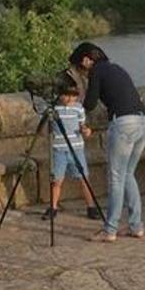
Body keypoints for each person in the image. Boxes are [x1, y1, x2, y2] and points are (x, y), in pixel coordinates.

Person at [75, 42, 145, 243]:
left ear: (86, 60)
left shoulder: (96, 71)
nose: (82, 72)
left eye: (80, 68)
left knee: (116, 177)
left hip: (124, 123)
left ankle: (110, 229)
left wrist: (81, 92)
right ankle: (136, 226)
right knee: (128, 174)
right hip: (143, 121)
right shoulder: (116, 68)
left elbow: (90, 104)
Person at [42, 80, 100, 221]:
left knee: (83, 178)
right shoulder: (54, 109)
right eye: (66, 95)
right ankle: (53, 206)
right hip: (59, 149)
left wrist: (85, 130)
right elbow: (45, 128)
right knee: (57, 180)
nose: (69, 99)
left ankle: (91, 206)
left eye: (73, 96)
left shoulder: (78, 108)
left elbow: (82, 125)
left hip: (76, 148)